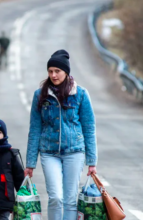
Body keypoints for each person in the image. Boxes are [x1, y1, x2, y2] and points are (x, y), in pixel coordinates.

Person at [25, 49, 98, 220]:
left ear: (66, 72)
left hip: (75, 152)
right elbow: (34, 129)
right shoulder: (40, 95)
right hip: (49, 152)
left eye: (57, 71)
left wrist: (92, 161)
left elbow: (89, 128)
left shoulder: (80, 94)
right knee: (56, 197)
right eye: (50, 71)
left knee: (70, 200)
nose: (53, 75)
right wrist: (30, 163)